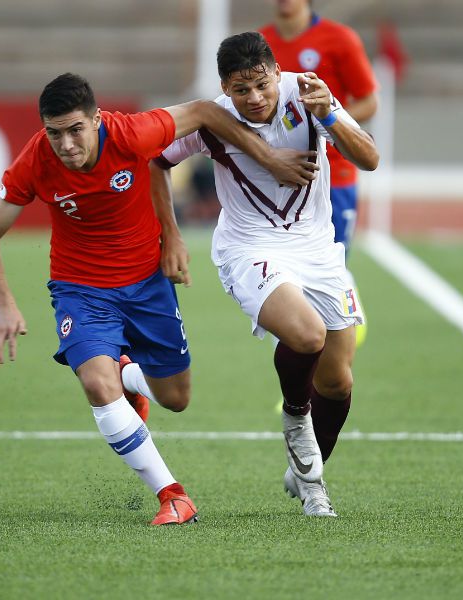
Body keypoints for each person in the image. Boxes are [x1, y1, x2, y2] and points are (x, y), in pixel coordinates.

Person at [0, 72, 318, 526]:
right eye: (54, 133)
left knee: (176, 398)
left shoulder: (131, 133)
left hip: (146, 284)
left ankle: (129, 376)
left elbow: (206, 111)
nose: (66, 144)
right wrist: (3, 303)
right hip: (81, 288)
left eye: (76, 129)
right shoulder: (36, 160)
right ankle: (172, 495)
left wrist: (268, 159)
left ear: (96, 120)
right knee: (97, 385)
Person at [152, 32, 378, 517]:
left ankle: (304, 475)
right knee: (306, 335)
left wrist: (331, 115)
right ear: (225, 89)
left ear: (278, 73)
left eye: (261, 85)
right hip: (248, 248)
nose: (253, 98)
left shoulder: (309, 92)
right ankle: (299, 430)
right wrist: (170, 233)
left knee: (338, 381)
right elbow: (156, 160)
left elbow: (369, 158)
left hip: (317, 248)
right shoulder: (213, 119)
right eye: (240, 90)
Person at [260, 0, 378, 346]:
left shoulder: (339, 39)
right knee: (280, 278)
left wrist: (322, 122)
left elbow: (369, 100)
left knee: (325, 271)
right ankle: (298, 390)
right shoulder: (260, 43)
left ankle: (338, 346)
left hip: (333, 176)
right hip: (277, 177)